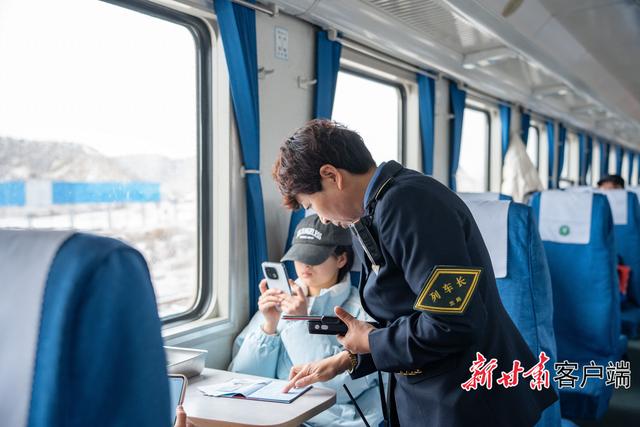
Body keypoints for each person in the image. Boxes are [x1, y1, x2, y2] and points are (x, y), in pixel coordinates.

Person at [272, 119, 558, 426]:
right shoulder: (380, 208)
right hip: (440, 393)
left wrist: (372, 342)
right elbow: (410, 311)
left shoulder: (408, 205)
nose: (323, 220)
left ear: (332, 176)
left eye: (312, 205)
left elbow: (452, 322)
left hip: (466, 402)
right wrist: (348, 358)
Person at [229, 214, 384, 427]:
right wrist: (269, 327)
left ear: (341, 259)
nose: (305, 265)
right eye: (300, 256)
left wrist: (297, 323)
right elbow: (243, 378)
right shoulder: (280, 303)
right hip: (275, 415)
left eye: (315, 257)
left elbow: (336, 388)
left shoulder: (363, 311)